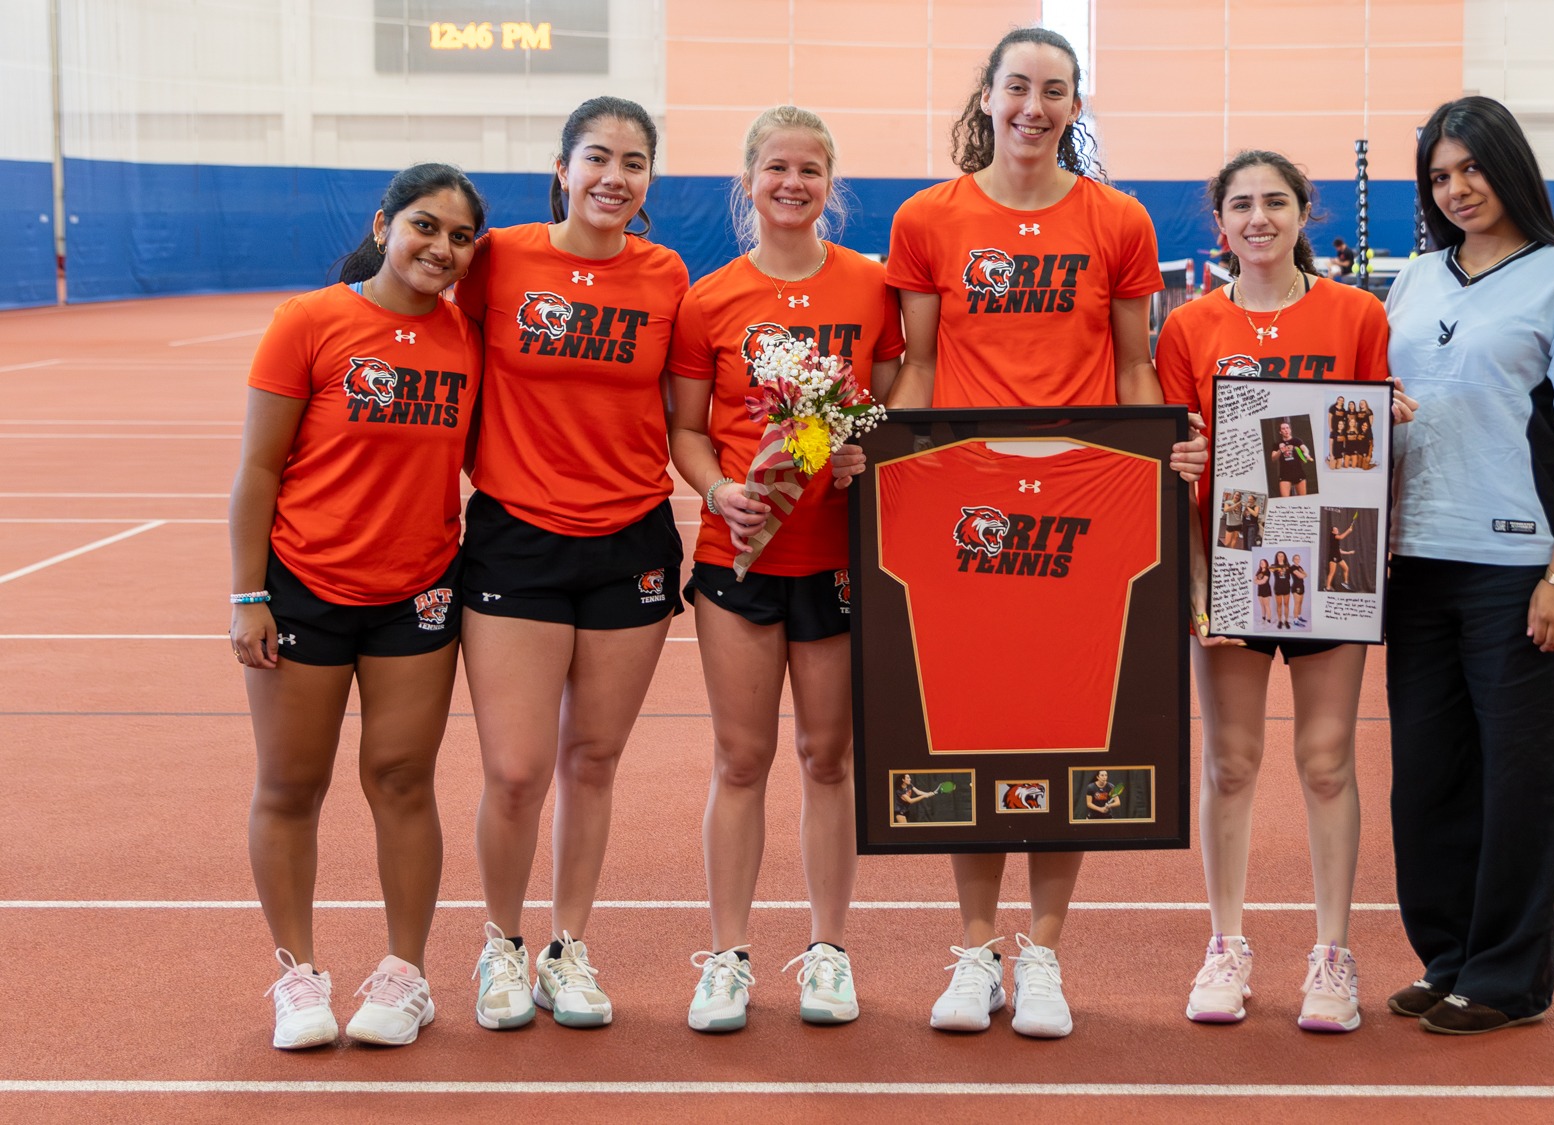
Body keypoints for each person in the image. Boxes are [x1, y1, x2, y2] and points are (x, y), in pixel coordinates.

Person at [884, 26, 1206, 1040]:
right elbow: (921, 368)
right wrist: (898, 477)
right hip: (967, 510)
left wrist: (1154, 474)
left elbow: (1134, 367)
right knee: (976, 724)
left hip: (1085, 504)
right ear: (986, 98)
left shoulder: (1116, 219)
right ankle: (975, 949)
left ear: (1074, 107)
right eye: (1015, 87)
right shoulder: (926, 218)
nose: (1032, 105)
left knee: (1070, 726)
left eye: (1053, 91)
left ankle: (1045, 955)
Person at [1383, 96, 1554, 1035]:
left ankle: (1507, 975)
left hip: (1518, 569)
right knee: (1430, 776)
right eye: (1440, 177)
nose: (1456, 190)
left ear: (1509, 166)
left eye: (1471, 169)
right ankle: (1447, 957)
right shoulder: (1413, 279)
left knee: (1519, 778)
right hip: (1415, 564)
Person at [1155, 149, 1412, 1032]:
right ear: (1218, 223)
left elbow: (1369, 448)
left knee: (1326, 760)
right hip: (1230, 572)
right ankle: (1225, 944)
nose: (1257, 218)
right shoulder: (1187, 327)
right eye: (1240, 204)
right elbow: (1180, 458)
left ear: (1305, 213)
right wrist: (1195, 568)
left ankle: (1332, 954)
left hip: (1331, 565)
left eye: (1275, 202)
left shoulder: (1357, 314)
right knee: (1230, 763)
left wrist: (1387, 424)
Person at [230, 163, 487, 1050]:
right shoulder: (311, 321)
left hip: (416, 591)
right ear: (384, 224)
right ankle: (297, 976)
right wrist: (247, 593)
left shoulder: (469, 338)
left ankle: (405, 973)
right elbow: (258, 469)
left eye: (460, 237)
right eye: (425, 225)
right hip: (303, 586)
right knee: (292, 784)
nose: (441, 248)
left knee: (403, 780)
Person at [452, 95, 692, 1032]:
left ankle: (567, 948)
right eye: (597, 157)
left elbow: (688, 414)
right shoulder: (502, 258)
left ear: (648, 183)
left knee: (593, 759)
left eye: (634, 164)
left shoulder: (666, 274)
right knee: (515, 769)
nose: (614, 178)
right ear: (562, 167)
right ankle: (500, 945)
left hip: (630, 538)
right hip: (518, 536)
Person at [666, 105, 904, 1034]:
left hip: (837, 557)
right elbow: (687, 428)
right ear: (749, 181)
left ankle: (829, 951)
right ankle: (727, 955)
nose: (792, 183)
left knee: (827, 756)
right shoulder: (709, 298)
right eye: (776, 168)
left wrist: (861, 453)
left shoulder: (871, 287)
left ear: (830, 185)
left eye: (810, 169)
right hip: (739, 556)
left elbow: (888, 407)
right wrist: (721, 489)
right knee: (742, 757)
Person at [1270, 419, 1312, 496]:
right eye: (1283, 428)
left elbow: (1305, 448)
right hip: (1285, 475)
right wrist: (1280, 450)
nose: (1286, 430)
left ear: (1290, 429)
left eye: (1287, 428)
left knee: (1303, 499)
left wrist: (1306, 454)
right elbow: (1273, 458)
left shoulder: (1297, 441)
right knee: (1285, 501)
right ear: (1280, 432)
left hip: (1298, 473)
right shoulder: (1277, 444)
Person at [1254, 558, 1273, 624]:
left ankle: (1269, 619)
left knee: (1267, 605)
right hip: (1260, 590)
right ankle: (1263, 618)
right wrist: (1258, 581)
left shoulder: (1267, 571)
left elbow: (1263, 581)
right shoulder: (1259, 571)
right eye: (1260, 562)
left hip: (1266, 590)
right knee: (1262, 605)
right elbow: (1254, 580)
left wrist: (1257, 581)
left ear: (1266, 563)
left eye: (1263, 562)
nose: (1261, 563)